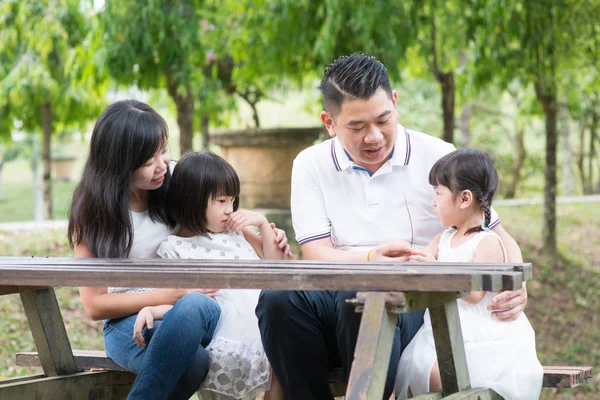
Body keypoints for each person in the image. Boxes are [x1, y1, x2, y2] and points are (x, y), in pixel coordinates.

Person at [255, 53, 528, 400]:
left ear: (395, 103)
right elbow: (316, 253)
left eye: (383, 120)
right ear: (330, 122)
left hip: (413, 305)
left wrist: (515, 284)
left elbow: (497, 235)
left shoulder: (438, 156)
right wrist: (371, 259)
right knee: (278, 300)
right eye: (356, 127)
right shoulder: (311, 165)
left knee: (361, 299)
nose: (374, 137)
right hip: (336, 300)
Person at [68, 100, 290, 400]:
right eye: (148, 161)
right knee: (193, 362)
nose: (162, 164)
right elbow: (95, 306)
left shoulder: (173, 179)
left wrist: (263, 235)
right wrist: (172, 293)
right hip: (130, 322)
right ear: (119, 164)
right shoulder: (94, 213)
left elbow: (220, 217)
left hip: (199, 309)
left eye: (164, 150)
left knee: (197, 307)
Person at [133, 151, 285, 400]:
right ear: (192, 201)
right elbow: (183, 304)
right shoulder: (174, 248)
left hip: (264, 320)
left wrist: (261, 222)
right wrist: (151, 310)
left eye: (233, 201)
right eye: (221, 201)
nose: (230, 210)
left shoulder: (239, 232)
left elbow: (275, 269)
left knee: (282, 363)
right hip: (226, 329)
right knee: (225, 365)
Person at [395, 149, 543, 399]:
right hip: (439, 329)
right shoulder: (444, 237)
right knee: (413, 374)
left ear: (464, 199)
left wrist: (436, 269)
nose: (433, 202)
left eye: (438, 194)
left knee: (439, 379)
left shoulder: (487, 242)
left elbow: (474, 294)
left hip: (478, 336)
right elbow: (423, 259)